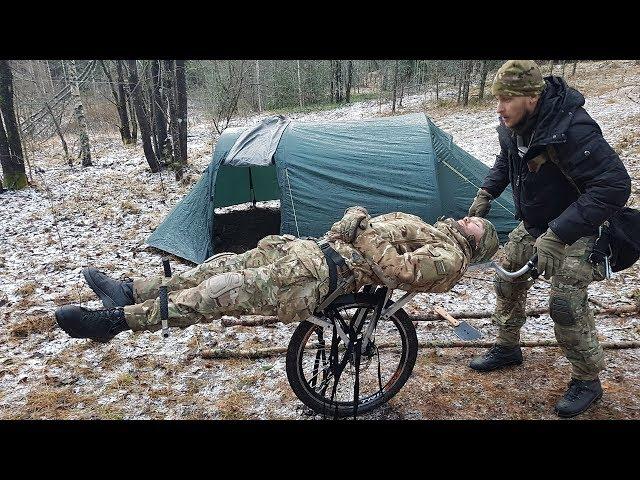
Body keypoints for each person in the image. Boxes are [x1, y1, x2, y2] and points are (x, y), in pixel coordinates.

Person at [56, 207, 498, 344]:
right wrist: (353, 221)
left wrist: (360, 230)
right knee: (219, 266)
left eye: (478, 224)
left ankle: (115, 323)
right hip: (307, 252)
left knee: (216, 293)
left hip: (319, 276)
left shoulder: (449, 257)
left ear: (478, 243)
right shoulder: (431, 227)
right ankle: (130, 291)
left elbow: (399, 271)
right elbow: (369, 235)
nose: (470, 218)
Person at [467, 60, 631, 418]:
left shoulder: (573, 127)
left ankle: (587, 379)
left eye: (507, 99)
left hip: (585, 228)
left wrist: (559, 234)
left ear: (532, 96)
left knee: (564, 302)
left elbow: (615, 185)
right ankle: (508, 346)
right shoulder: (513, 126)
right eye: (497, 98)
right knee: (507, 277)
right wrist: (486, 193)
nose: (499, 107)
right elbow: (505, 160)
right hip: (539, 223)